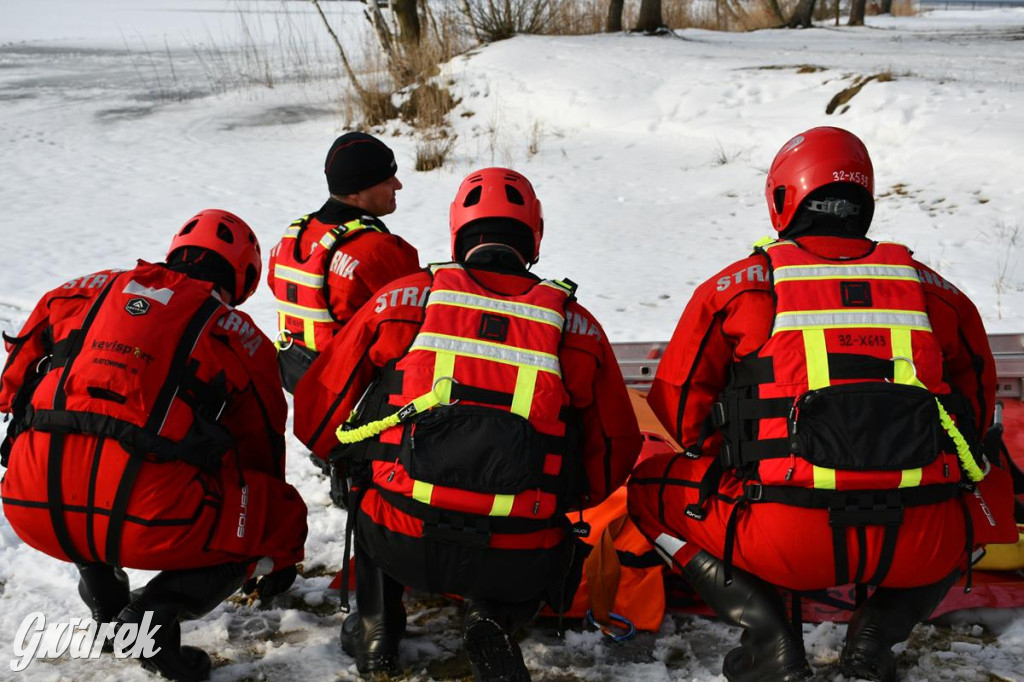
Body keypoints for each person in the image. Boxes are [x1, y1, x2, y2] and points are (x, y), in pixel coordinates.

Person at [627, 127, 1017, 682]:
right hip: (921, 542)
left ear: (784, 197)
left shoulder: (739, 287)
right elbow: (977, 420)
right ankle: (876, 637)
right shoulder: (940, 293)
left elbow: (678, 413)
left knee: (646, 491)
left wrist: (741, 454)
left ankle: (770, 643)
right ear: (865, 200)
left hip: (779, 537)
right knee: (988, 497)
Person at [293, 168, 643, 681]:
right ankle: (491, 618)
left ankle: (376, 634)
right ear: (534, 237)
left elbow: (318, 409)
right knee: (541, 541)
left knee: (369, 487)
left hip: (401, 537)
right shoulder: (577, 325)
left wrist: (346, 458)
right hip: (520, 554)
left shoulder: (405, 300)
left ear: (458, 233)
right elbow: (616, 448)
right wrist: (561, 494)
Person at [0, 210, 308, 682]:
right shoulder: (240, 335)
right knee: (279, 515)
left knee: (90, 459)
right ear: (243, 277)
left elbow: (12, 380)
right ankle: (155, 615)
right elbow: (262, 453)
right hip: (151, 521)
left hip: (30, 505)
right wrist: (276, 545)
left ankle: (103, 592)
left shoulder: (79, 290)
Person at [267, 131, 420, 393]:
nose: (398, 185)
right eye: (387, 179)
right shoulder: (379, 250)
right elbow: (418, 320)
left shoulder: (292, 237)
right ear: (355, 193)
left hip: (299, 379)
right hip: (355, 392)